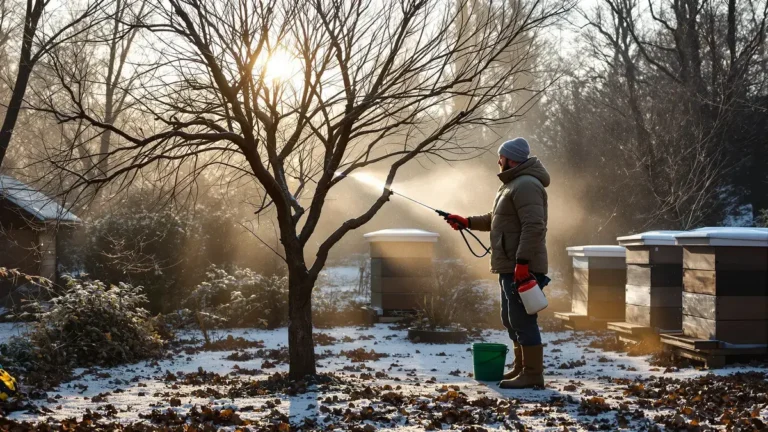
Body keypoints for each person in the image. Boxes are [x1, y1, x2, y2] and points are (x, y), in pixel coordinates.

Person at [445, 137, 550, 389]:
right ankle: (520, 367)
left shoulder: (525, 185)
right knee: (510, 318)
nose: (498, 161)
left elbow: (534, 226)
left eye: (501, 156)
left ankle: (532, 374)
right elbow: (497, 219)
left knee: (523, 320)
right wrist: (467, 221)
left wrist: (522, 263)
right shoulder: (512, 185)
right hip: (509, 266)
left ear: (511, 158)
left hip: (522, 267)